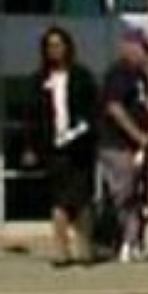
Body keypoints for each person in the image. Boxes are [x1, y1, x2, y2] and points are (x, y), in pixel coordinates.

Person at [22, 25, 99, 268]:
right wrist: (31, 147)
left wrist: (86, 132)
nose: (55, 50)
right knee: (59, 199)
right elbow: (31, 116)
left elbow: (93, 110)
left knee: (82, 199)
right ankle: (60, 250)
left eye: (59, 45)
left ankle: (85, 248)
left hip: (80, 145)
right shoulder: (39, 81)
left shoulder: (81, 77)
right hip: (53, 147)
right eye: (50, 46)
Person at [98, 21, 148, 262]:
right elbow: (114, 108)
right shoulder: (119, 73)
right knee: (122, 193)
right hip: (116, 144)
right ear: (129, 47)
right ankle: (120, 240)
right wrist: (138, 135)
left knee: (136, 194)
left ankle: (132, 241)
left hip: (137, 147)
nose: (147, 56)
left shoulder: (142, 78)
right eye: (144, 49)